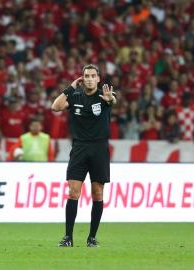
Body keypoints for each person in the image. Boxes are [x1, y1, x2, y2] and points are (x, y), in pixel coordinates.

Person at [51, 64, 117, 247]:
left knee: (97, 193)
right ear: (82, 78)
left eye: (92, 75)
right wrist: (70, 87)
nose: (89, 78)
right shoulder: (75, 95)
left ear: (97, 78)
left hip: (99, 148)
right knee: (73, 192)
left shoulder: (105, 94)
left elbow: (112, 101)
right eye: (86, 75)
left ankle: (92, 237)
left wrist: (110, 99)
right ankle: (68, 238)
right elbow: (55, 107)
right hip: (79, 148)